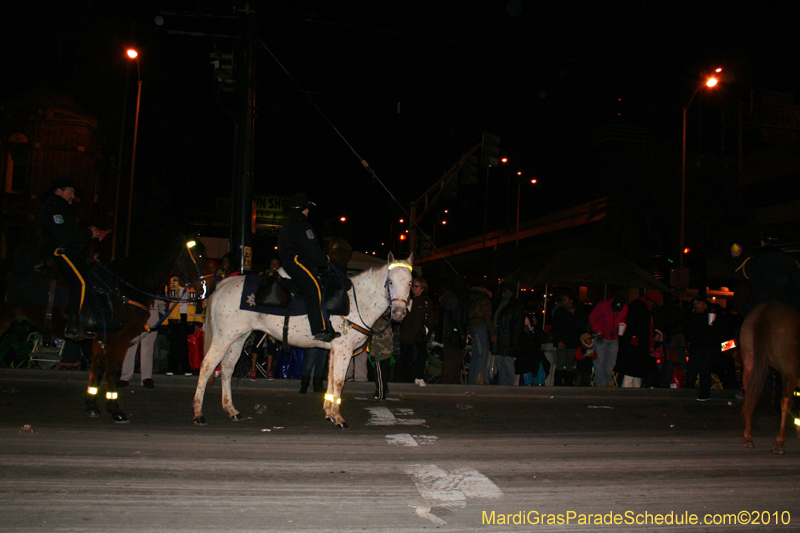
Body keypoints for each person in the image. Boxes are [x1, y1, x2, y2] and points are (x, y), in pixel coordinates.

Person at [37, 176, 106, 339]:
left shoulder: (62, 208)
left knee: (91, 278)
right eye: (71, 192)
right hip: (58, 252)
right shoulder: (54, 208)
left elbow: (71, 233)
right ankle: (72, 322)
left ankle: (86, 320)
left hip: (68, 252)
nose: (73, 196)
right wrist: (88, 233)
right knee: (81, 281)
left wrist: (88, 232)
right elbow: (63, 236)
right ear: (59, 191)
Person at [277, 193, 338, 342]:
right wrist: (325, 260)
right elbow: (311, 249)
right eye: (307, 208)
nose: (308, 211)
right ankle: (319, 329)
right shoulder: (301, 225)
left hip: (292, 260)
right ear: (302, 210)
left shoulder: (291, 223)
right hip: (296, 261)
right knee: (314, 287)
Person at [730, 231, 800, 316]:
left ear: (762, 243)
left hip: (760, 301)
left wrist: (735, 256)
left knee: (741, 320)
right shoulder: (791, 261)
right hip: (789, 303)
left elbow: (737, 273)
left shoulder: (756, 261)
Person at [616, 290, 661, 387]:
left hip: (635, 342)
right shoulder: (642, 307)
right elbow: (639, 325)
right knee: (633, 370)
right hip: (636, 343)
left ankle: (634, 389)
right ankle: (630, 390)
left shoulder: (639, 305)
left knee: (635, 371)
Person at [119, 299, 166, 389]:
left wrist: (156, 320)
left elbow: (163, 306)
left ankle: (146, 377)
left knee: (147, 352)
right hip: (134, 326)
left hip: (150, 327)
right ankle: (125, 377)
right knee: (129, 351)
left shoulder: (155, 295)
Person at [164, 276, 203, 376]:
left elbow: (200, 301)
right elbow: (165, 298)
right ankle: (172, 367)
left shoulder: (194, 282)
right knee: (174, 343)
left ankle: (187, 367)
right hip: (175, 317)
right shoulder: (171, 281)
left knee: (187, 344)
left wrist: (198, 320)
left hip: (189, 317)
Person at [399, 277, 435, 385]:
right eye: (412, 286)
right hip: (406, 337)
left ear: (422, 288)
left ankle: (419, 377)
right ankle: (406, 380)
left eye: (416, 286)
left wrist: (423, 332)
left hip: (418, 338)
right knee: (405, 360)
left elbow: (430, 320)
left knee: (419, 359)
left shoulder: (426, 302)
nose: (413, 288)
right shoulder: (409, 299)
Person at [588, 294, 628, 387]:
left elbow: (624, 320)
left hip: (614, 337)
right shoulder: (603, 305)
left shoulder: (625, 308)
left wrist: (623, 327)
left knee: (611, 362)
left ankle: (606, 382)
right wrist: (598, 331)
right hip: (600, 337)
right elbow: (592, 318)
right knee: (599, 361)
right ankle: (600, 384)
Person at [684, 297, 720, 401]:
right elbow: (689, 330)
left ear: (704, 304)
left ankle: (704, 394)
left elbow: (715, 331)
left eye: (698, 303)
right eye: (695, 303)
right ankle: (689, 391)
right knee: (692, 369)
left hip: (707, 347)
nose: (696, 305)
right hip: (697, 346)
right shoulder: (694, 316)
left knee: (705, 369)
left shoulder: (711, 315)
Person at [435, 280, 469, 384]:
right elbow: (458, 318)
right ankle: (451, 383)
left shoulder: (448, 298)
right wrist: (462, 334)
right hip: (454, 335)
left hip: (448, 335)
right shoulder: (457, 299)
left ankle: (449, 382)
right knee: (454, 362)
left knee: (450, 361)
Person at [551, 290, 588, 386]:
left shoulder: (579, 311)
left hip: (574, 342)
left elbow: (582, 326)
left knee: (570, 364)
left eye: (564, 300)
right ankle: (558, 383)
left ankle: (568, 384)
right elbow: (555, 328)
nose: (562, 302)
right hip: (563, 341)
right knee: (561, 362)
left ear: (571, 301)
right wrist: (558, 340)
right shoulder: (559, 312)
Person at [492, 285, 525, 386]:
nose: (503, 293)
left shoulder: (516, 305)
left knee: (507, 361)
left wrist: (514, 343)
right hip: (499, 337)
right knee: (500, 361)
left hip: (508, 337)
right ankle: (503, 383)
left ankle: (510, 384)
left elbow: (517, 326)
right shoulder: (499, 303)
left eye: (506, 291)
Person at [468, 283, 496, 385]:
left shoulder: (472, 297)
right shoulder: (484, 298)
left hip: (474, 327)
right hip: (481, 327)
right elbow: (487, 316)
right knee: (482, 356)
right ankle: (479, 381)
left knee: (476, 355)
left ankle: (475, 380)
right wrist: (492, 333)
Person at [370, 312, 394, 399]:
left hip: (380, 353)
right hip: (387, 352)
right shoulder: (387, 321)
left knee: (379, 375)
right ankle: (382, 391)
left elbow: (377, 341)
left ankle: (381, 394)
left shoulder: (379, 323)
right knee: (383, 373)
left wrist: (373, 354)